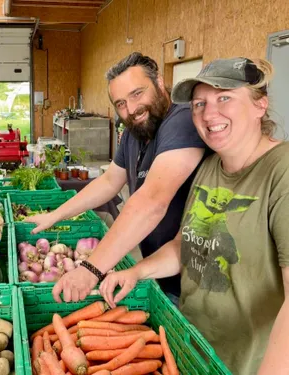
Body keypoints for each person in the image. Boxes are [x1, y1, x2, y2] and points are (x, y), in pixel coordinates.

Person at [99, 57, 289, 374]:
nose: (208, 113)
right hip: (190, 344)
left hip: (243, 363)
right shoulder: (210, 166)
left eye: (224, 98)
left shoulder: (281, 173)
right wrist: (136, 272)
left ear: (260, 105)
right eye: (200, 103)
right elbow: (184, 246)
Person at [25, 52, 207, 304]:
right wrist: (56, 215)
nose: (131, 109)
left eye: (137, 93)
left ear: (160, 82)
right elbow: (109, 182)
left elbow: (152, 202)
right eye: (120, 103)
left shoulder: (181, 122)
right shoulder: (135, 131)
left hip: (195, 278)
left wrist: (91, 269)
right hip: (162, 270)